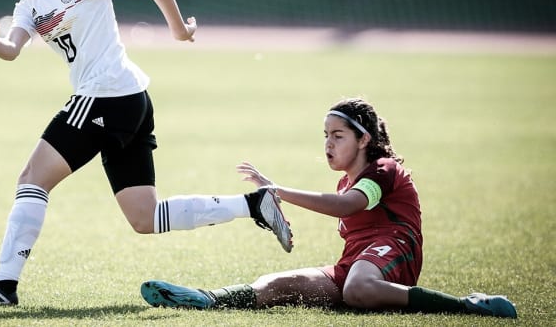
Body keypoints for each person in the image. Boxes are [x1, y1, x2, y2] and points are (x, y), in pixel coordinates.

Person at [0, 0, 292, 306]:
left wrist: (180, 32)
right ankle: (253, 204)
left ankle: (3, 288)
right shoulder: (29, 6)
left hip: (105, 96)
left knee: (31, 179)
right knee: (145, 218)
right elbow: (12, 49)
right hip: (129, 101)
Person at [140, 97, 518, 318]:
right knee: (278, 285)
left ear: (364, 139)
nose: (328, 144)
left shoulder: (384, 170)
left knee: (357, 289)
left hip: (395, 251)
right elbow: (343, 206)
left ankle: (467, 307)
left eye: (338, 136)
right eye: (325, 136)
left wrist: (277, 191)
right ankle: (205, 298)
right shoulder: (345, 179)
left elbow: (346, 206)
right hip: (356, 263)